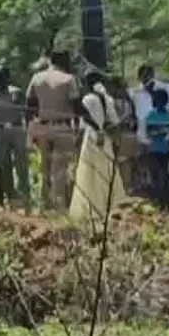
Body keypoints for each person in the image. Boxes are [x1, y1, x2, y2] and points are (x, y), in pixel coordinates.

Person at [26, 50, 80, 212]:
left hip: (42, 126)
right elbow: (76, 105)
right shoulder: (69, 79)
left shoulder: (37, 78)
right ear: (63, 61)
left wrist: (32, 130)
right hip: (62, 127)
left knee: (44, 169)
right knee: (60, 170)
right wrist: (76, 129)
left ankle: (43, 206)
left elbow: (30, 106)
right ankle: (59, 208)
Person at [71, 71, 126, 224]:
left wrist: (77, 140)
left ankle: (90, 206)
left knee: (89, 171)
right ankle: (109, 204)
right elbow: (114, 121)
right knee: (106, 170)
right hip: (105, 137)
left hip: (91, 136)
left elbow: (83, 124)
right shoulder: (107, 99)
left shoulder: (87, 99)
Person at [0, 67, 29, 209]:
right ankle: (10, 197)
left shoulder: (16, 92)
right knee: (4, 165)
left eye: (1, 81)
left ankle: (25, 197)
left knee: (21, 164)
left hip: (16, 129)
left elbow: (26, 111)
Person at [143, 88, 169, 211]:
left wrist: (160, 130)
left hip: (166, 150)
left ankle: (166, 202)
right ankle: (158, 202)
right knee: (156, 177)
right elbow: (150, 130)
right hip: (154, 150)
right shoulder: (151, 115)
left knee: (166, 178)